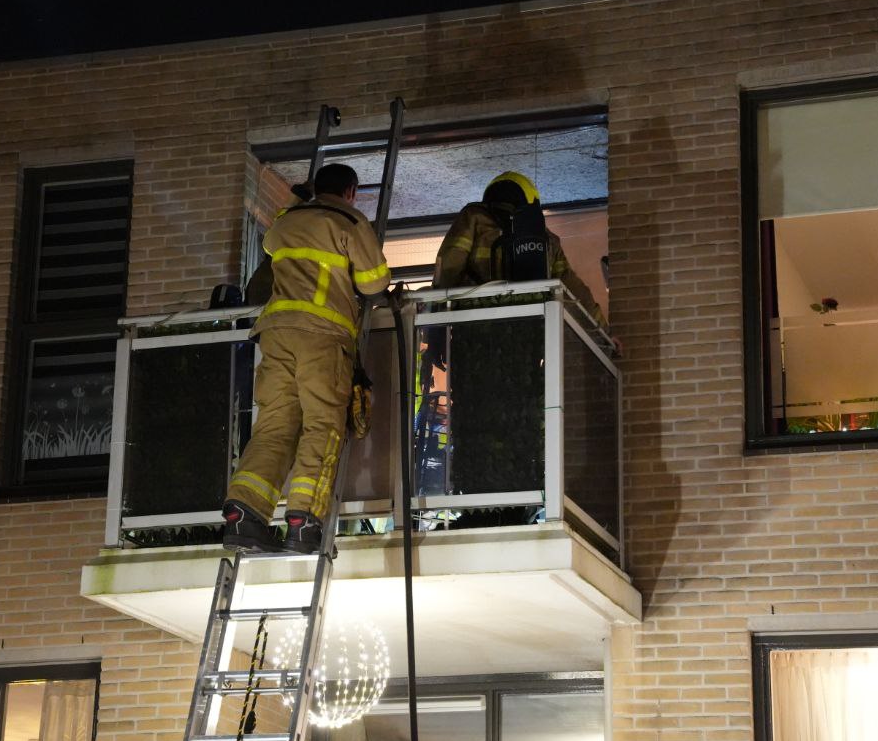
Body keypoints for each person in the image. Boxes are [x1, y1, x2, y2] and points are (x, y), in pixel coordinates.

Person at [221, 163, 391, 554]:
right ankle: (303, 521)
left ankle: (245, 514)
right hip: (324, 338)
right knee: (322, 427)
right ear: (350, 191)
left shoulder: (285, 224)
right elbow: (374, 284)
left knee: (274, 426)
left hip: (277, 337)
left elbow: (271, 258)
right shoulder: (349, 221)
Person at [432, 171, 608, 328]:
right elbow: (575, 290)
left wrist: (436, 320)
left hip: (474, 323)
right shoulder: (547, 240)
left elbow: (448, 266)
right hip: (527, 331)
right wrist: (603, 332)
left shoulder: (472, 218)